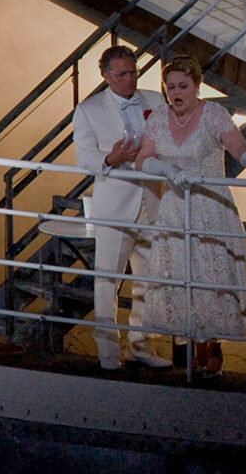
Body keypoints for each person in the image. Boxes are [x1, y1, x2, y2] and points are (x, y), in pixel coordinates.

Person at [135, 55, 246, 378]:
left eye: (183, 86)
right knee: (182, 275)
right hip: (175, 207)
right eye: (170, 87)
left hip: (211, 206)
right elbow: (142, 159)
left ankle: (212, 347)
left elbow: (238, 144)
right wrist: (168, 169)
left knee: (211, 277)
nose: (176, 92)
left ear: (197, 87)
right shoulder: (158, 117)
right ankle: (194, 348)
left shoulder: (213, 114)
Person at [70, 45, 174, 371]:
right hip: (114, 204)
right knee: (107, 281)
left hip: (152, 201)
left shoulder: (156, 101)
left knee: (150, 280)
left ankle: (140, 346)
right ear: (105, 76)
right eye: (121, 74)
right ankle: (108, 353)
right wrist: (108, 158)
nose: (129, 79)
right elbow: (83, 155)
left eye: (133, 73)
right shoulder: (89, 109)